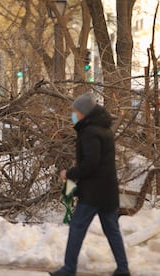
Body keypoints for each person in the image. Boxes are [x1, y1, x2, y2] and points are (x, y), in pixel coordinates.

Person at [50, 92, 130, 276]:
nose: (73, 114)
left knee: (77, 228)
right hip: (107, 191)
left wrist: (68, 174)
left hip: (93, 193)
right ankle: (123, 269)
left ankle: (69, 269)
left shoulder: (90, 131)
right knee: (112, 230)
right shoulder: (103, 129)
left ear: (84, 113)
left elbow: (91, 163)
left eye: (76, 111)